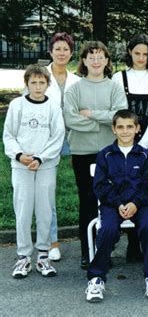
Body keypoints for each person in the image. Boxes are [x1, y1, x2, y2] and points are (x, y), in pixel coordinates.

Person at [85, 110, 148, 303]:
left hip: (139, 204)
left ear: (137, 129)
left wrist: (135, 204)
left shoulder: (144, 155)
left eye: (130, 127)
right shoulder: (105, 155)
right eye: (120, 127)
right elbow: (100, 186)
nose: (125, 131)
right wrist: (119, 204)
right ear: (113, 129)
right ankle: (96, 278)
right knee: (108, 228)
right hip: (112, 204)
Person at [64, 41, 128, 269]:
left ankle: (106, 247)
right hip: (82, 152)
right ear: (83, 61)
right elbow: (70, 119)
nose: (96, 61)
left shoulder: (114, 87)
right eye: (91, 57)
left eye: (100, 57)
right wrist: (101, 123)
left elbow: (120, 117)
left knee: (110, 200)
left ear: (107, 61)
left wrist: (91, 114)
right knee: (88, 201)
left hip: (109, 152)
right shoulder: (74, 89)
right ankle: (86, 251)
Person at [3, 64, 65, 278]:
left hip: (45, 165)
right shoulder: (17, 105)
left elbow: (57, 136)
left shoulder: (53, 107)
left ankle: (43, 255)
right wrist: (20, 155)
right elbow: (8, 135)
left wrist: (41, 158)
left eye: (41, 82)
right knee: (23, 209)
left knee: (45, 209)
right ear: (27, 84)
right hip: (21, 165)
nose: (37, 87)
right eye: (33, 82)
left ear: (47, 84)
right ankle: (23, 257)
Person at [112, 34, 148, 262]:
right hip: (125, 142)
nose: (141, 58)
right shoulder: (118, 78)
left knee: (147, 191)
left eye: (145, 54)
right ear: (130, 53)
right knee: (127, 189)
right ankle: (132, 243)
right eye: (137, 53)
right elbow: (118, 112)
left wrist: (142, 147)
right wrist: (130, 144)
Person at [44, 32, 81, 262]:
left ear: (71, 52)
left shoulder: (77, 80)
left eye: (65, 49)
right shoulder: (39, 76)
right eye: (57, 48)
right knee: (48, 191)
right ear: (50, 51)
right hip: (46, 140)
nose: (61, 53)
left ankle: (96, 236)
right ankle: (52, 241)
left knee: (87, 187)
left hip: (75, 138)